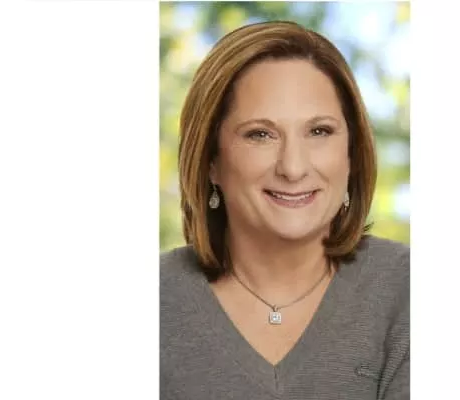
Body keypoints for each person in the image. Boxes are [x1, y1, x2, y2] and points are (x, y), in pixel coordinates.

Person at [160, 20, 409, 400]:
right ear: (210, 159)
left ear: (352, 153)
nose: (293, 168)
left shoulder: (407, 292)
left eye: (319, 131)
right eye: (260, 134)